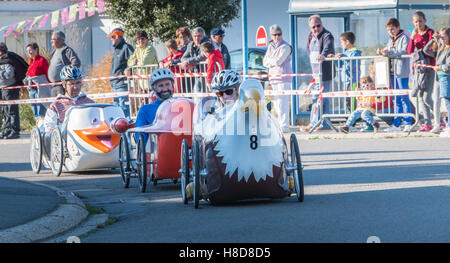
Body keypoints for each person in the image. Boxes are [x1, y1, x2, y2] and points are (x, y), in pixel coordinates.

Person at [377, 18, 413, 132]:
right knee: (395, 98)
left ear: (398, 27)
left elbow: (404, 51)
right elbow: (388, 49)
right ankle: (397, 124)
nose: (390, 31)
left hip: (401, 71)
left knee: (404, 97)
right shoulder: (390, 39)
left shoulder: (404, 37)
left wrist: (390, 53)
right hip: (392, 71)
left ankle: (408, 122)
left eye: (392, 29)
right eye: (388, 30)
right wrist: (383, 52)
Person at [301, 15, 335, 132]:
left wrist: (323, 55)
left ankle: (316, 124)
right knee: (318, 99)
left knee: (321, 99)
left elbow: (328, 48)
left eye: (318, 25)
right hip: (315, 74)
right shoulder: (310, 36)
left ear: (322, 24)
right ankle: (321, 124)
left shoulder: (327, 35)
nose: (316, 28)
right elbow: (308, 50)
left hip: (324, 73)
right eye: (313, 27)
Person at [43, 65, 94, 132]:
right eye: (71, 84)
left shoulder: (90, 103)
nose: (75, 87)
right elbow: (49, 128)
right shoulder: (56, 106)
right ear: (64, 85)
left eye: (78, 83)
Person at [407, 11, 435, 132]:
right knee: (420, 96)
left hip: (429, 67)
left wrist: (422, 51)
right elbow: (409, 51)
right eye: (415, 22)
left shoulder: (430, 32)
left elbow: (429, 49)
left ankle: (440, 117)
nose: (418, 24)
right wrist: (412, 38)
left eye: (420, 21)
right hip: (419, 69)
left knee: (427, 96)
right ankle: (427, 123)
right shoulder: (415, 34)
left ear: (425, 20)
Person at [263, 24, 293, 132]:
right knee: (276, 103)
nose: (277, 37)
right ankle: (279, 125)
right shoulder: (270, 46)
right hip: (273, 77)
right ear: (271, 35)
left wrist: (271, 61)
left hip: (283, 77)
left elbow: (278, 61)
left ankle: (284, 126)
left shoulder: (286, 46)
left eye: (279, 34)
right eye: (274, 35)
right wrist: (272, 61)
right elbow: (264, 62)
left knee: (283, 102)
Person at [134, 68, 175, 143]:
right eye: (160, 86)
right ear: (154, 89)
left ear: (172, 85)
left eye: (167, 84)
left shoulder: (182, 105)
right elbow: (140, 140)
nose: (165, 89)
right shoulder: (145, 110)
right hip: (157, 151)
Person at [423, 27, 450, 136]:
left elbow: (448, 66)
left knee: (448, 101)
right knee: (438, 100)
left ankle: (448, 125)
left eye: (444, 36)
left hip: (446, 77)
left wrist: (440, 68)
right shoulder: (441, 48)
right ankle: (438, 124)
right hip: (438, 78)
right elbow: (426, 50)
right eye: (441, 37)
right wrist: (434, 39)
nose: (442, 39)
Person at [0, 42, 28, 140]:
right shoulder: (2, 60)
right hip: (3, 89)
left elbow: (9, 74)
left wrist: (0, 72)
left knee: (12, 110)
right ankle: (7, 129)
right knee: (5, 110)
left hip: (10, 88)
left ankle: (14, 131)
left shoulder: (8, 60)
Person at [328, 31, 362, 112]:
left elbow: (351, 65)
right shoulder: (346, 53)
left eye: (341, 42)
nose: (341, 44)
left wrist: (343, 56)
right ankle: (349, 116)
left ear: (347, 42)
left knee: (353, 100)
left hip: (353, 81)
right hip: (346, 81)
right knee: (347, 99)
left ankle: (353, 117)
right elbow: (340, 65)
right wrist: (335, 58)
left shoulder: (355, 53)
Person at [108, 28, 134, 119]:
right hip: (115, 84)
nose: (111, 39)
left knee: (124, 111)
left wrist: (129, 69)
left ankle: (127, 133)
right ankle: (120, 133)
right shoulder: (117, 49)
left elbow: (134, 61)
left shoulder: (126, 47)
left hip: (122, 84)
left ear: (117, 37)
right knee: (117, 112)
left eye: (112, 37)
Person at [48, 31, 81, 97]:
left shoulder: (66, 50)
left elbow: (76, 63)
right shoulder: (54, 51)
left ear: (60, 40)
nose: (51, 41)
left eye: (53, 39)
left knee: (63, 104)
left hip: (62, 85)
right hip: (54, 85)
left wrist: (67, 75)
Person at [25, 42, 51, 121]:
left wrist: (50, 85)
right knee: (35, 111)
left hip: (40, 89)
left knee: (41, 110)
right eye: (27, 51)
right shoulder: (31, 61)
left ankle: (42, 128)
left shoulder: (42, 60)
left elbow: (48, 74)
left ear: (36, 49)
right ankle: (38, 127)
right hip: (32, 90)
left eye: (30, 50)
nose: (29, 52)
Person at [180, 27, 210, 93]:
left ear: (203, 36)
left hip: (207, 74)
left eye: (199, 36)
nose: (196, 38)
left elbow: (202, 56)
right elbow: (183, 58)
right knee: (198, 95)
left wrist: (189, 62)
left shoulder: (207, 43)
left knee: (207, 95)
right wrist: (189, 63)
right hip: (197, 73)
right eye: (195, 36)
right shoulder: (190, 45)